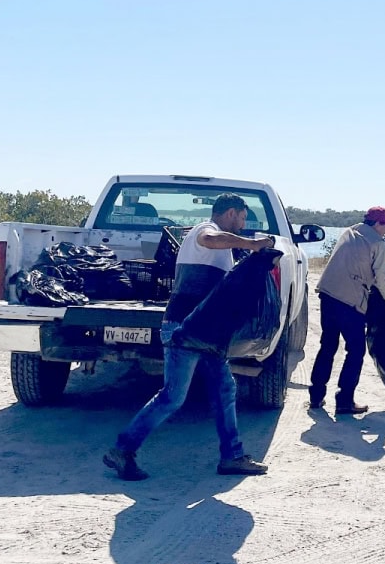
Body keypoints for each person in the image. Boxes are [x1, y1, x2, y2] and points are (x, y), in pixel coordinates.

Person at [104, 194, 276, 481]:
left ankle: (232, 456)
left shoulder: (223, 247)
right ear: (230, 213)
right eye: (243, 218)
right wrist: (252, 244)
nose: (244, 225)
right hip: (183, 329)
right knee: (173, 396)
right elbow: (210, 239)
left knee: (224, 390)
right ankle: (122, 449)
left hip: (205, 333)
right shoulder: (204, 230)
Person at [310, 206, 385, 416]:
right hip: (350, 301)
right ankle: (344, 401)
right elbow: (380, 277)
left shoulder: (348, 232)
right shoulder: (378, 244)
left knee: (328, 345)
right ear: (377, 224)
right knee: (356, 350)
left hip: (327, 294)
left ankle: (316, 396)